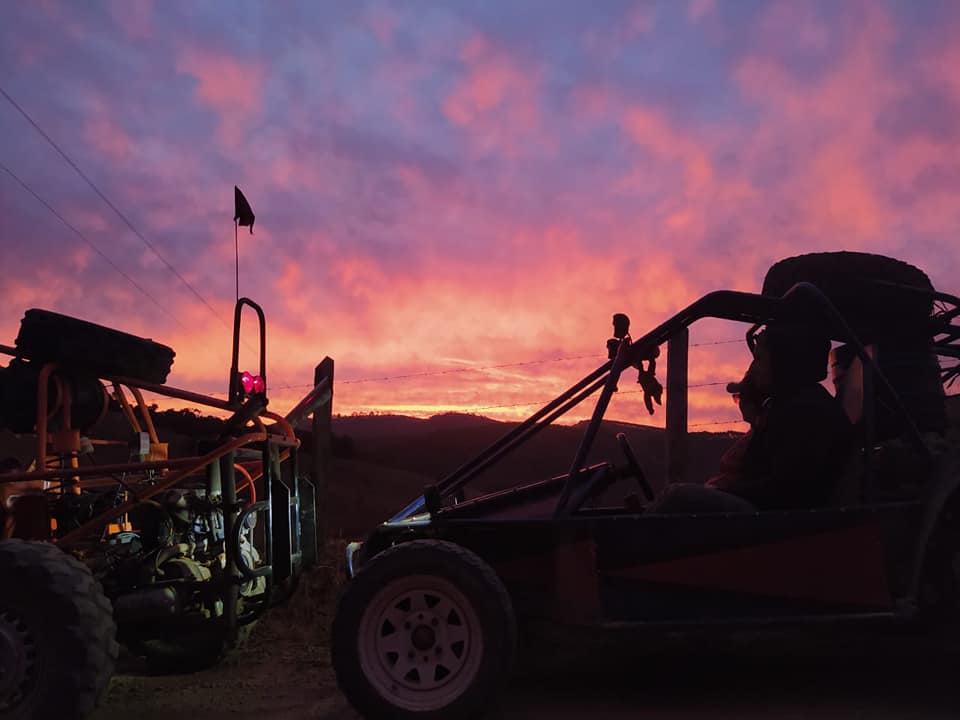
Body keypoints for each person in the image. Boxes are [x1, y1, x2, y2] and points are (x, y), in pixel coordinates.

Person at [650, 323, 853, 512]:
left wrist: (725, 491)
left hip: (775, 524)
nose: (753, 368)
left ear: (782, 361)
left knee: (675, 496)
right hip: (762, 512)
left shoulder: (806, 411)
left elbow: (787, 489)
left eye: (759, 359)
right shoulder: (786, 404)